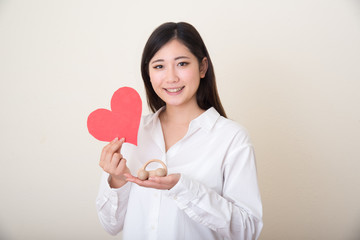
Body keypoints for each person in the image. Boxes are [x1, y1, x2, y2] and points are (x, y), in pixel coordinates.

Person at [96, 22, 263, 240]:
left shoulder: (231, 138)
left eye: (182, 63)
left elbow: (247, 231)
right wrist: (117, 180)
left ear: (203, 67)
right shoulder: (130, 134)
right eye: (159, 66)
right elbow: (110, 226)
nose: (171, 78)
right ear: (148, 73)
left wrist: (183, 188)